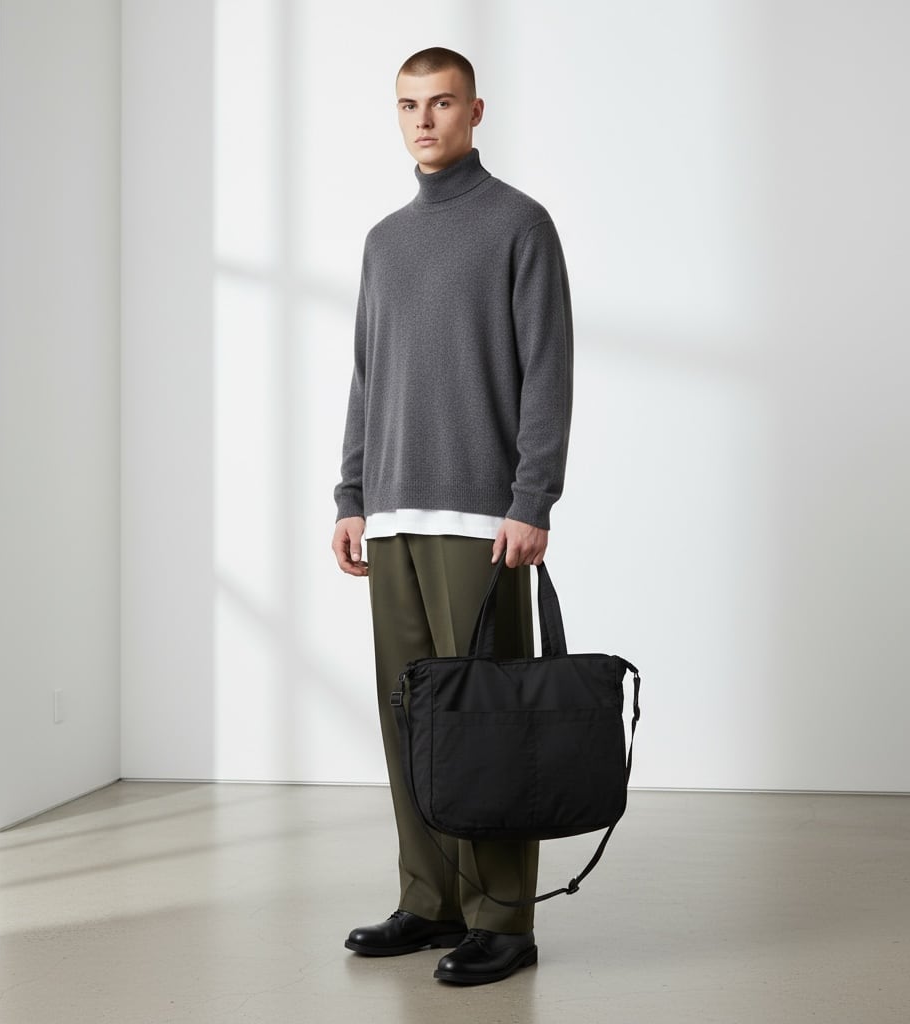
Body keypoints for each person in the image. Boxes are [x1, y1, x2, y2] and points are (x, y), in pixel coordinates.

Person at [331, 46, 574, 986]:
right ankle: (428, 899)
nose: (424, 121)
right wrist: (352, 495)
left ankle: (502, 918)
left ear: (476, 111)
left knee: (486, 721)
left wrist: (532, 498)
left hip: (482, 519)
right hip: (391, 514)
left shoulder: (519, 223)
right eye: (409, 106)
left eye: (441, 103)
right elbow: (368, 376)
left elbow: (547, 369)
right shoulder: (384, 241)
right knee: (410, 719)